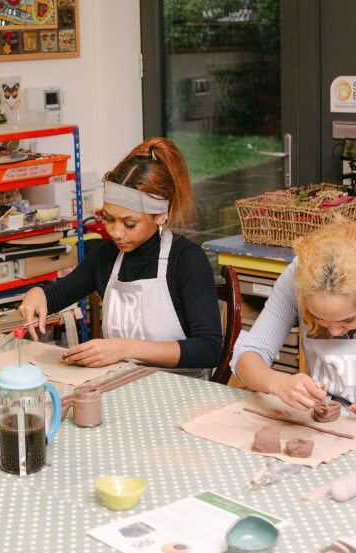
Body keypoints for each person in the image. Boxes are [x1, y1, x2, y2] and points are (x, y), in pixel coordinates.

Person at [18, 138, 222, 376]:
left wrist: (124, 348)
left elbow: (209, 348)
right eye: (109, 218)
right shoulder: (105, 257)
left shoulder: (187, 260)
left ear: (160, 216)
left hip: (180, 392)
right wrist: (37, 295)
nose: (115, 232)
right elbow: (54, 297)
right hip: (120, 384)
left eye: (129, 223)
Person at [232, 222, 356, 411]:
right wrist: (277, 382)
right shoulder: (297, 277)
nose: (334, 330)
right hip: (326, 416)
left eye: (347, 320)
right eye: (318, 318)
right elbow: (246, 355)